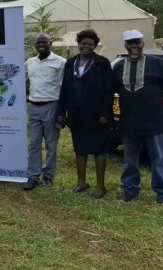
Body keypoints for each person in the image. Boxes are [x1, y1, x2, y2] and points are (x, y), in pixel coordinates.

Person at [113, 30, 163, 205]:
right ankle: (129, 190)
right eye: (130, 43)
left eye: (137, 42)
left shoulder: (158, 64)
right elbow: (112, 91)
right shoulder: (118, 66)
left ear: (142, 44)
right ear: (125, 45)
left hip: (154, 121)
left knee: (159, 158)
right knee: (130, 160)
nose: (134, 46)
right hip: (128, 121)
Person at [57, 29, 114, 199]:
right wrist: (61, 111)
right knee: (79, 149)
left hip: (97, 114)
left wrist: (106, 113)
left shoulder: (102, 63)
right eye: (83, 43)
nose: (86, 46)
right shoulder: (70, 63)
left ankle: (100, 186)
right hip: (76, 114)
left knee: (99, 149)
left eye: (90, 44)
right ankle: (81, 182)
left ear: (95, 45)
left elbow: (109, 90)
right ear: (78, 44)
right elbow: (64, 89)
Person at [23, 34, 66, 191]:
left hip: (51, 106)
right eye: (38, 43)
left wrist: (62, 112)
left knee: (50, 144)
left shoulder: (60, 62)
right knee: (34, 143)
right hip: (33, 106)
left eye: (44, 42)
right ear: (35, 45)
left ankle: (48, 176)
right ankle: (33, 175)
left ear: (50, 44)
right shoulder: (30, 62)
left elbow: (64, 88)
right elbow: (21, 80)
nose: (41, 45)